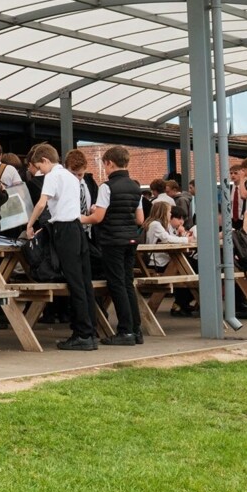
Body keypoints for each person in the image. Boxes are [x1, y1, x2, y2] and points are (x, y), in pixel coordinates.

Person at [25, 142, 97, 351]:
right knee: (84, 281)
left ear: (45, 160)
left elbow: (42, 204)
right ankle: (90, 331)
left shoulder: (52, 176)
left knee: (74, 282)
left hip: (64, 230)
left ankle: (82, 334)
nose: (40, 171)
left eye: (40, 166)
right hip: (77, 228)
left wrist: (30, 224)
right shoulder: (71, 176)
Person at [83, 145, 146, 346]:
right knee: (128, 283)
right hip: (131, 239)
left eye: (105, 165)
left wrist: (80, 218)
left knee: (116, 284)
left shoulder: (107, 187)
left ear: (109, 163)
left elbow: (98, 217)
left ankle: (125, 331)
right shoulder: (135, 187)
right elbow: (140, 219)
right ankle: (136, 330)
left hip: (112, 240)